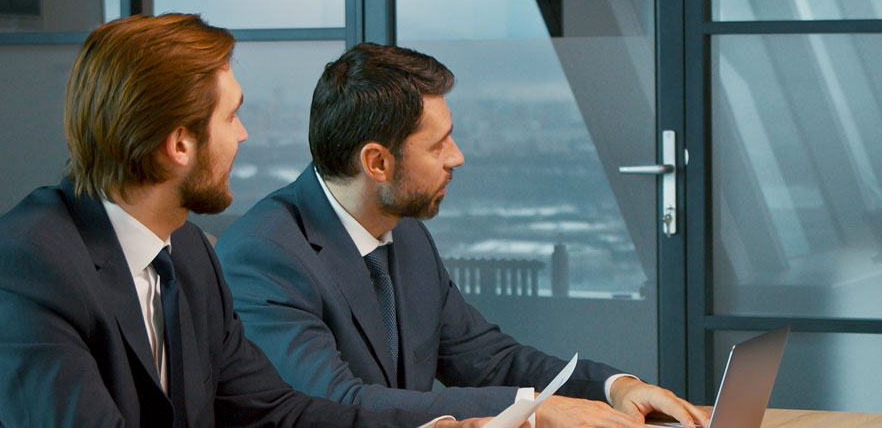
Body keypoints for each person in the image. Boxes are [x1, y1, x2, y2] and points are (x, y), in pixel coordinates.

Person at [0, 15, 489, 428]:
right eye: (232, 116)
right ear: (180, 145)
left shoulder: (189, 253)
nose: (243, 136)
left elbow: (274, 411)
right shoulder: (22, 267)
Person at [216, 43, 706, 428]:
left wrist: (613, 387)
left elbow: (487, 361)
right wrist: (536, 412)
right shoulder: (265, 254)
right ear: (377, 163)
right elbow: (338, 402)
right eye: (438, 144)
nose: (458, 156)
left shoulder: (404, 236)